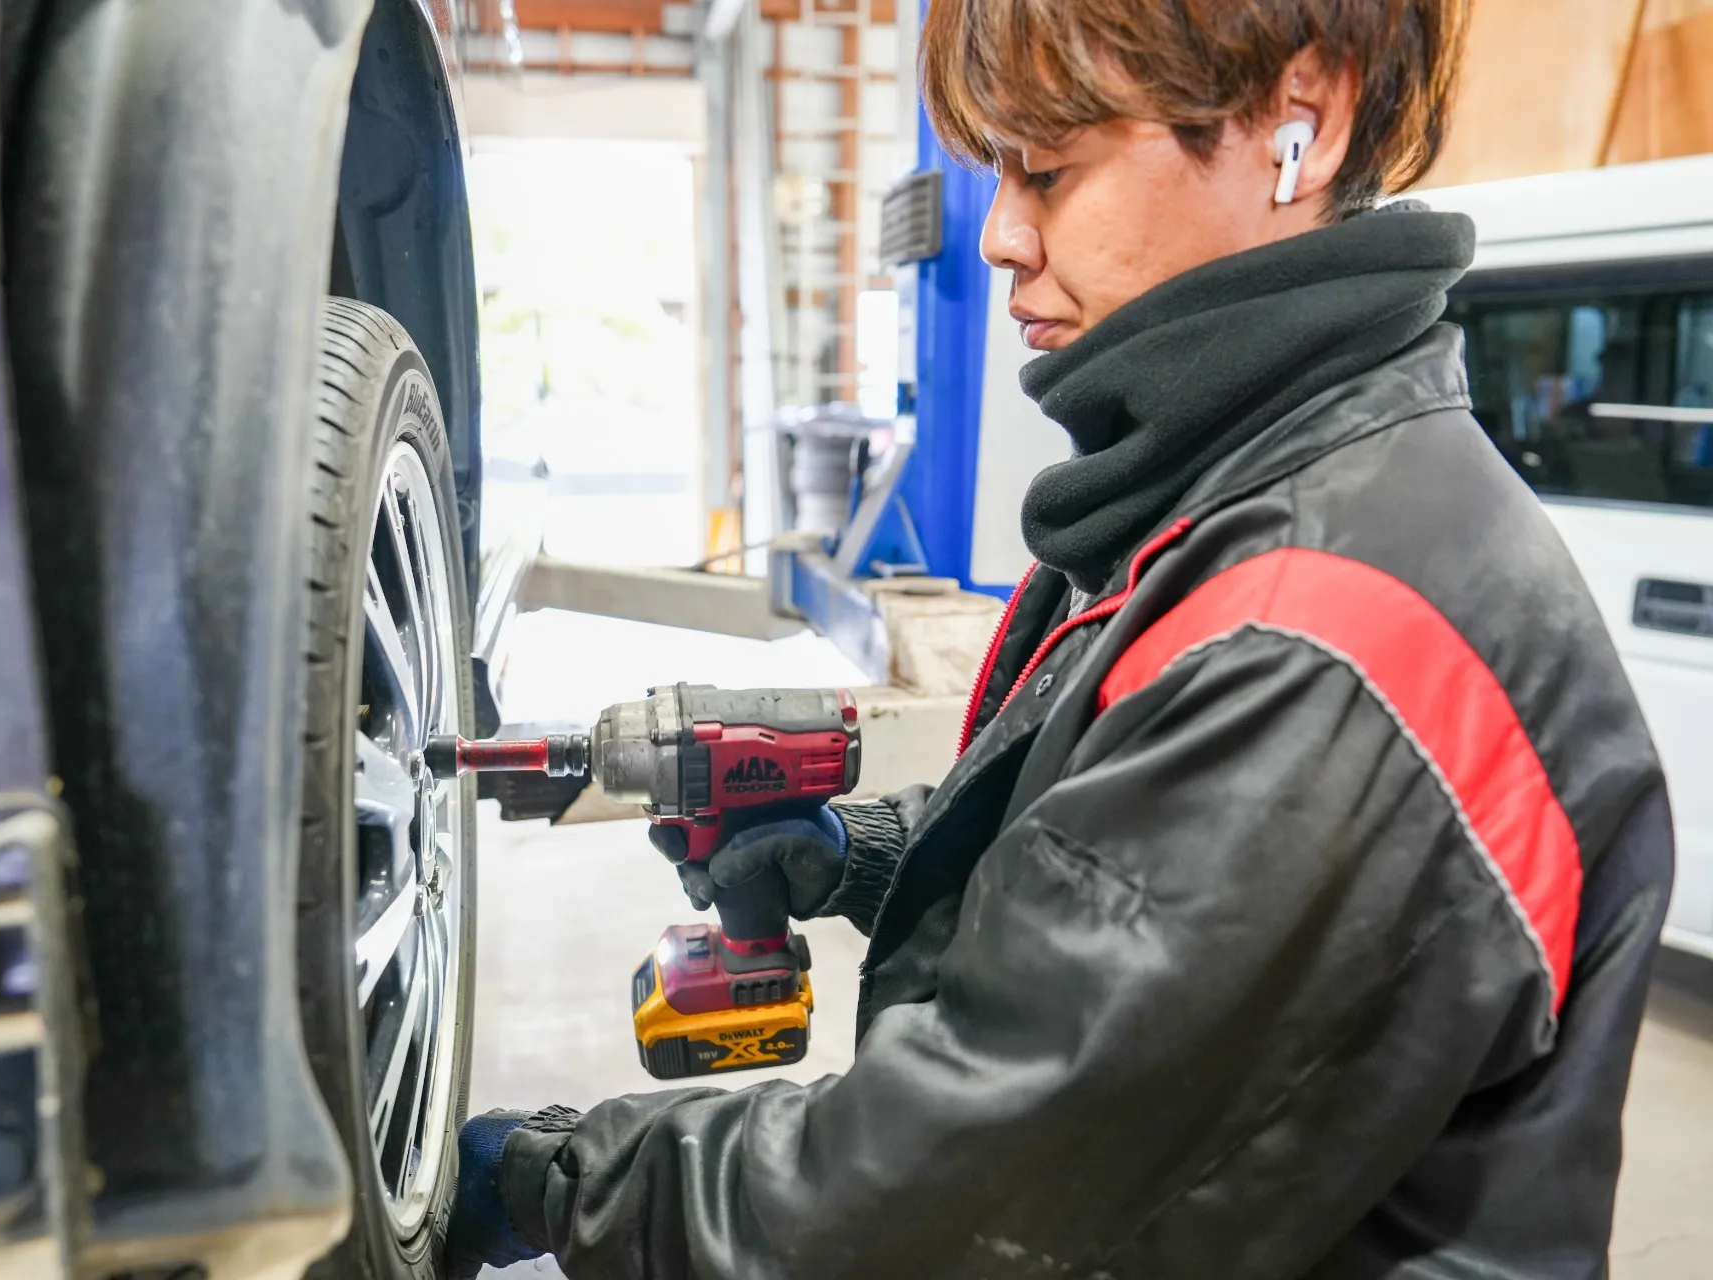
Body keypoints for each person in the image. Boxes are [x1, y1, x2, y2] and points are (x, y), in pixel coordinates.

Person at [445, 0, 1676, 1275]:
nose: (998, 236)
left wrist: (552, 1175)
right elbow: (1117, 845)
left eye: (1050, 165)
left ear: (1297, 121)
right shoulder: (1224, 489)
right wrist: (867, 856)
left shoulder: (1324, 640)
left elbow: (929, 1203)